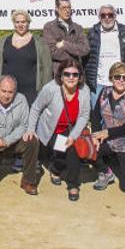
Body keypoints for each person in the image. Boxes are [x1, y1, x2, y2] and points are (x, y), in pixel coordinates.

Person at [26, 62, 91, 202]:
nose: (71, 77)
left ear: (80, 77)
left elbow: (84, 116)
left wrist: (74, 135)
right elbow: (36, 108)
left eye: (75, 74)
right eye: (67, 74)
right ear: (60, 76)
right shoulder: (51, 89)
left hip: (70, 129)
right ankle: (56, 169)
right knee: (64, 150)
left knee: (71, 150)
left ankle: (72, 184)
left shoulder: (84, 90)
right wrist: (31, 129)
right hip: (50, 130)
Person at [90, 61, 125, 193]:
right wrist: (95, 135)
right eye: (117, 77)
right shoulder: (105, 92)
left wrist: (107, 132)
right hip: (107, 138)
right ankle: (106, 172)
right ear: (111, 78)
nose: (121, 80)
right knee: (86, 148)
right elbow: (95, 116)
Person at [0, 10, 52, 106]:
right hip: (8, 91)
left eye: (23, 22)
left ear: (28, 23)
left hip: (31, 93)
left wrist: (45, 91)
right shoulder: (3, 41)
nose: (20, 25)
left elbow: (47, 68)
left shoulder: (39, 43)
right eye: (17, 22)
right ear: (14, 23)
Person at [85, 5, 125, 100]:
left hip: (121, 82)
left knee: (122, 113)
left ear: (115, 16)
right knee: (97, 114)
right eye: (103, 15)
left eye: (110, 15)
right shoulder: (92, 33)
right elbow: (87, 59)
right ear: (99, 17)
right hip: (99, 84)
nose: (107, 18)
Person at [42, 0, 88, 73]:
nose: (67, 10)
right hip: (58, 74)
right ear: (57, 9)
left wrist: (64, 44)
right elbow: (51, 51)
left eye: (69, 7)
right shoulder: (49, 27)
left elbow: (85, 49)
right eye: (63, 8)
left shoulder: (78, 28)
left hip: (75, 74)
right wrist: (75, 56)